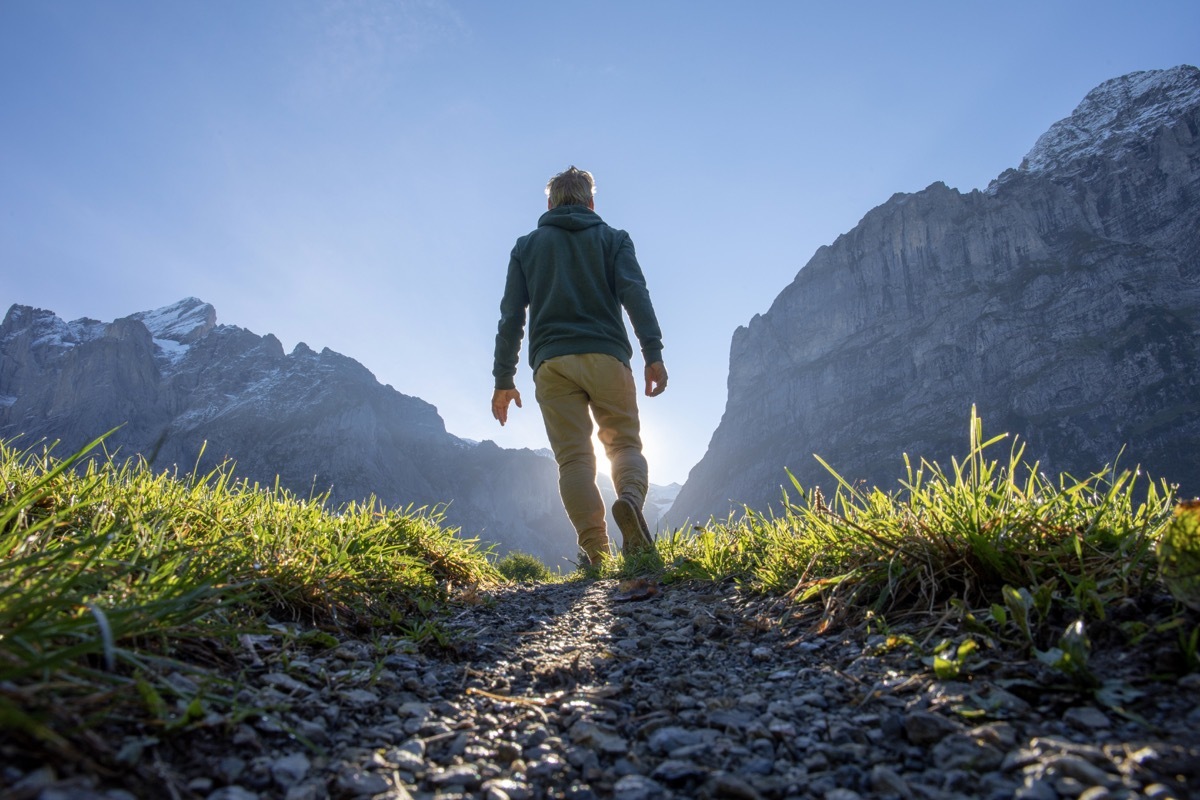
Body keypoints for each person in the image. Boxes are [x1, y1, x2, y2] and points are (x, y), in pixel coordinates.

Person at [491, 166, 668, 566]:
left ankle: (597, 553)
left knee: (574, 460)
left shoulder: (526, 247)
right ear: (591, 202)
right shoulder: (614, 239)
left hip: (552, 364)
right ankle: (630, 503)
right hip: (607, 356)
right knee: (623, 444)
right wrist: (652, 354)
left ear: (549, 204)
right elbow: (635, 294)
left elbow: (511, 318)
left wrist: (504, 378)